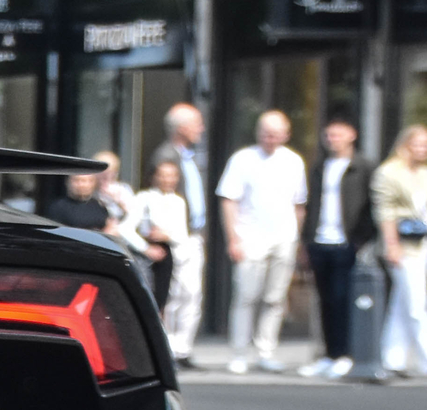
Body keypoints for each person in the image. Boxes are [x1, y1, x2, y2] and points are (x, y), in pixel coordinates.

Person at [217, 109, 307, 373]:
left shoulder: (293, 161)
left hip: (284, 237)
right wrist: (233, 238)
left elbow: (299, 204)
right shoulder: (243, 159)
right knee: (246, 296)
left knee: (275, 298)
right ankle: (239, 352)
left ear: (286, 135)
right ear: (258, 133)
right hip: (250, 236)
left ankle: (266, 351)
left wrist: (296, 239)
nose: (270, 139)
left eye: (276, 134)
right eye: (266, 134)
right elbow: (228, 200)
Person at [298, 118, 373, 378]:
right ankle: (329, 354)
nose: (332, 140)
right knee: (325, 300)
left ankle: (345, 353)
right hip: (320, 242)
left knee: (343, 300)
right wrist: (306, 241)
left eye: (338, 134)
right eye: (328, 135)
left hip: (345, 244)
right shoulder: (320, 167)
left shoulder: (363, 167)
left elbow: (370, 206)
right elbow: (310, 205)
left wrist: (360, 240)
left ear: (352, 135)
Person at [147, 104, 212, 364]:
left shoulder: (193, 156)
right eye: (197, 123)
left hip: (193, 234)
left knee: (193, 293)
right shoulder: (165, 155)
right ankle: (170, 347)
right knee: (173, 295)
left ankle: (184, 348)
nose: (202, 129)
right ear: (182, 128)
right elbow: (156, 197)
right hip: (172, 236)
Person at [374, 124, 427, 377]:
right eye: (418, 144)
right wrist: (392, 245)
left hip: (424, 245)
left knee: (401, 303)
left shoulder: (425, 171)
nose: (423, 149)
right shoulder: (389, 172)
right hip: (405, 247)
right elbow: (385, 212)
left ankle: (392, 358)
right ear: (405, 144)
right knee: (416, 305)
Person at [122, 158, 194, 319]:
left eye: (171, 175)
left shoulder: (178, 201)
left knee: (163, 300)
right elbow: (125, 228)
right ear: (154, 177)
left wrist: (166, 235)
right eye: (163, 175)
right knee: (145, 298)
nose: (167, 180)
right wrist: (146, 248)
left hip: (166, 253)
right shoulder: (143, 198)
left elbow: (183, 235)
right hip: (145, 254)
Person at [43, 171, 114, 233]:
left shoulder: (100, 206)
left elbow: (109, 228)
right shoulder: (58, 207)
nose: (81, 185)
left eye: (85, 181)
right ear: (67, 182)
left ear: (93, 183)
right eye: (76, 180)